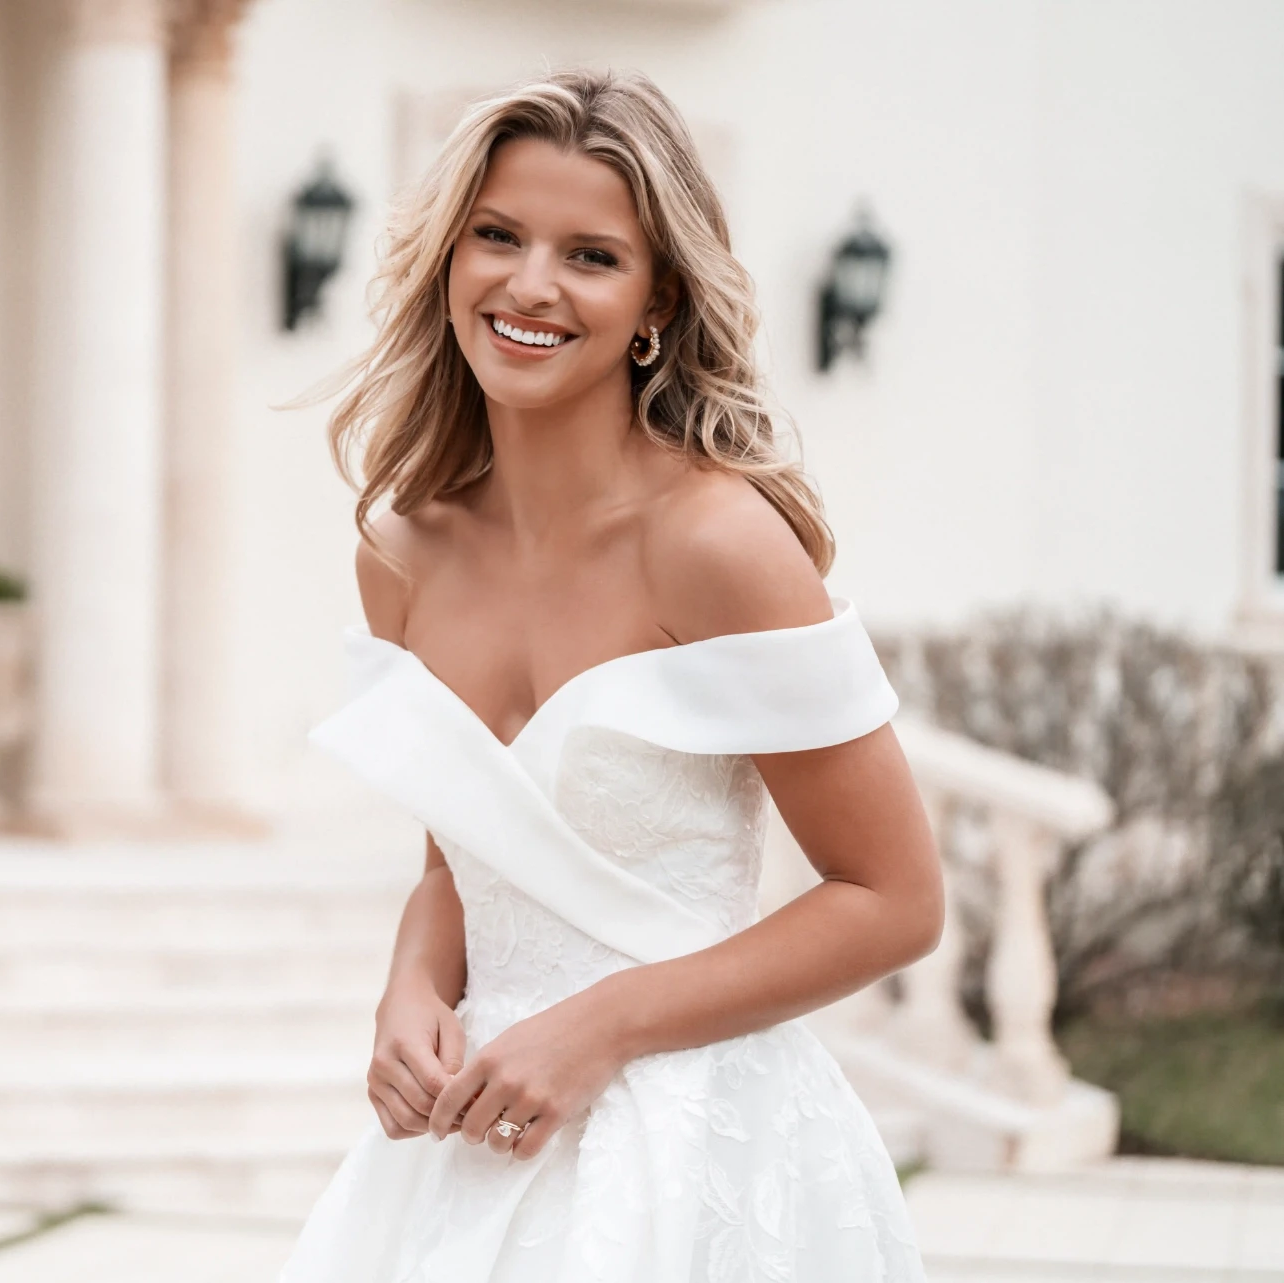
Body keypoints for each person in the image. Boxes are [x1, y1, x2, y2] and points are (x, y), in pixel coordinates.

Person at [281, 69, 943, 1282]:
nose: (529, 283)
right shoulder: (402, 549)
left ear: (655, 302)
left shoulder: (716, 542)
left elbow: (893, 896)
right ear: (447, 261)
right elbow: (459, 860)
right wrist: (409, 984)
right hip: (471, 1140)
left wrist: (599, 1027)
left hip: (701, 1150)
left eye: (589, 255)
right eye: (496, 235)